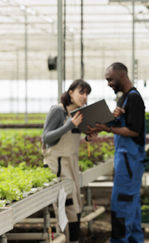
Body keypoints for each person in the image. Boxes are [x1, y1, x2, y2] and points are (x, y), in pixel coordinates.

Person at [88, 62, 146, 243]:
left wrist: (107, 128)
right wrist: (113, 119)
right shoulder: (124, 99)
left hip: (130, 161)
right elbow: (125, 124)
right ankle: (135, 239)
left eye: (110, 79)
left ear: (122, 76)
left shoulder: (135, 99)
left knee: (121, 204)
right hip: (126, 160)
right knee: (132, 206)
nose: (108, 83)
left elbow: (134, 131)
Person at [42, 79, 92, 243]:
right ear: (70, 92)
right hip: (59, 167)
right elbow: (46, 137)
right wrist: (68, 125)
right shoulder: (58, 110)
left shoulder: (80, 113)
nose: (84, 97)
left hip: (72, 167)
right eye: (81, 92)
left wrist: (89, 135)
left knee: (76, 208)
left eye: (86, 94)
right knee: (65, 208)